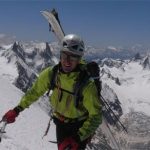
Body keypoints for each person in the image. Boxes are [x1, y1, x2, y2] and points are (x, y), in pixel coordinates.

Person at [2, 34, 102, 150]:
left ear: (79, 60)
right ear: (60, 55)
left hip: (79, 127)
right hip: (60, 123)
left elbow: (96, 116)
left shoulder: (86, 85)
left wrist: (78, 138)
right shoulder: (52, 74)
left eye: (73, 57)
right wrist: (17, 109)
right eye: (65, 56)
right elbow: (35, 92)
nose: (67, 62)